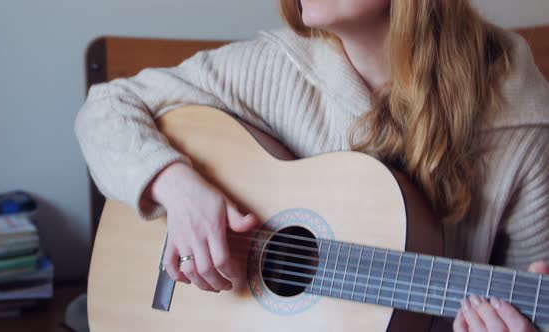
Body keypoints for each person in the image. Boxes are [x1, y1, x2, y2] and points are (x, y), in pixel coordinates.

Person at [75, 1, 549, 331]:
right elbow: (106, 108)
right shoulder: (274, 67)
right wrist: (180, 192)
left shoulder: (523, 125)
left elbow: (531, 292)